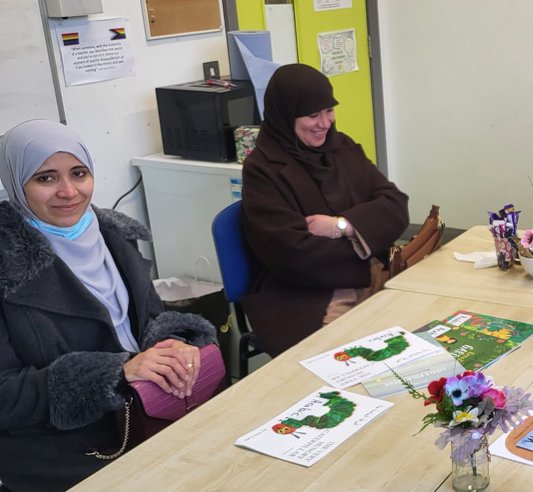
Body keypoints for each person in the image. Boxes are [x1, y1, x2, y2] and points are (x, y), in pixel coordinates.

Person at [0, 120, 215, 491]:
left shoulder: (116, 238)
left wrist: (174, 342)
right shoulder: (7, 266)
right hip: (63, 450)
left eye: (79, 173)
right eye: (46, 178)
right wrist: (115, 372)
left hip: (148, 415)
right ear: (16, 184)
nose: (69, 192)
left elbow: (152, 321)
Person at [241, 64, 410, 357]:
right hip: (310, 295)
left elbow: (396, 205)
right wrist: (367, 245)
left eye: (329, 110)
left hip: (372, 275)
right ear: (285, 115)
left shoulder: (341, 147)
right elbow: (295, 255)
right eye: (312, 115)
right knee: (352, 365)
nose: (324, 123)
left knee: (422, 334)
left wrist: (341, 226)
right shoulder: (262, 170)